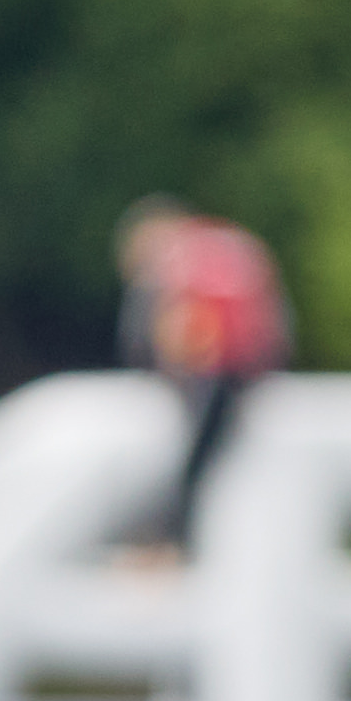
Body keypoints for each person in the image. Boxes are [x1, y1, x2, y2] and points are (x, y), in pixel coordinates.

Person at [115, 196, 291, 526]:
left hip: (212, 372)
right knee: (210, 463)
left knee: (192, 467)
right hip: (247, 371)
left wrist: (166, 366)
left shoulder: (178, 262)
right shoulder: (228, 246)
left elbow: (168, 330)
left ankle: (171, 538)